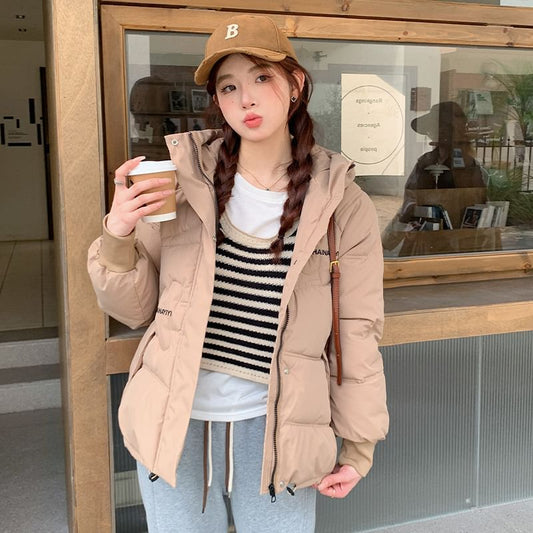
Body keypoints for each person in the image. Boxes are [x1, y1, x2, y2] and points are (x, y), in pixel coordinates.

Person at [88, 14, 388, 533]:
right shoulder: (182, 185)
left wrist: (358, 446)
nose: (245, 98)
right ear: (218, 101)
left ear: (295, 84)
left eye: (261, 78)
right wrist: (117, 234)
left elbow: (355, 332)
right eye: (229, 87)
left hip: (281, 430)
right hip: (173, 423)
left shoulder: (342, 204)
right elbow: (134, 310)